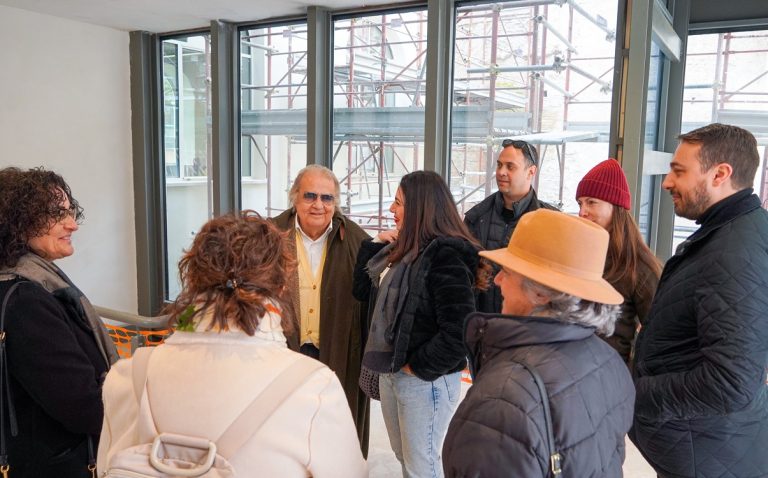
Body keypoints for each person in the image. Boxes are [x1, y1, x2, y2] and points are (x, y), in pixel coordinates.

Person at [97, 212, 367, 477]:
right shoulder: (314, 387)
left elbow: (105, 466)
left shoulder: (128, 377)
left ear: (192, 280)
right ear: (281, 286)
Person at [442, 209, 635, 477]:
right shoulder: (608, 360)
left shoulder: (504, 399)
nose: (497, 280)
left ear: (542, 293)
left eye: (507, 272)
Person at [631, 123, 768, 478]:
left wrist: (630, 392)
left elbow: (730, 383)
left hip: (708, 454)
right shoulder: (731, 233)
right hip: (708, 449)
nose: (667, 183)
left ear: (720, 174)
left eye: (679, 171)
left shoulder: (733, 252)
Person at [352, 170, 486, 478]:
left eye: (398, 203)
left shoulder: (446, 255)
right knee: (405, 458)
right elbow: (360, 292)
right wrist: (375, 242)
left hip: (426, 379)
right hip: (394, 371)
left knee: (421, 466)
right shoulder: (403, 251)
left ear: (419, 208)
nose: (391, 210)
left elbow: (460, 331)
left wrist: (418, 366)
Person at [0, 167, 119, 477]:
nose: (72, 224)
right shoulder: (26, 301)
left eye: (70, 211)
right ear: (18, 222)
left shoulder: (24, 284)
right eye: (56, 214)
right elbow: (83, 407)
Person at [271, 165, 372, 453]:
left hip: (337, 353)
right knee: (286, 427)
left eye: (327, 198)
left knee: (333, 428)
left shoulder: (357, 240)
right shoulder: (270, 235)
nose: (318, 205)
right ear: (295, 197)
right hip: (285, 350)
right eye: (310, 196)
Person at [576, 158, 662, 365]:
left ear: (615, 206)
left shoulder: (639, 267)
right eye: (580, 203)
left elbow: (659, 333)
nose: (582, 212)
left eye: (591, 202)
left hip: (609, 372)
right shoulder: (580, 255)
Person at [464, 139, 557, 313]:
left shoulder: (550, 222)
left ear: (531, 172)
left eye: (510, 167)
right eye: (499, 165)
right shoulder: (476, 217)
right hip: (481, 322)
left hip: (527, 324)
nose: (501, 172)